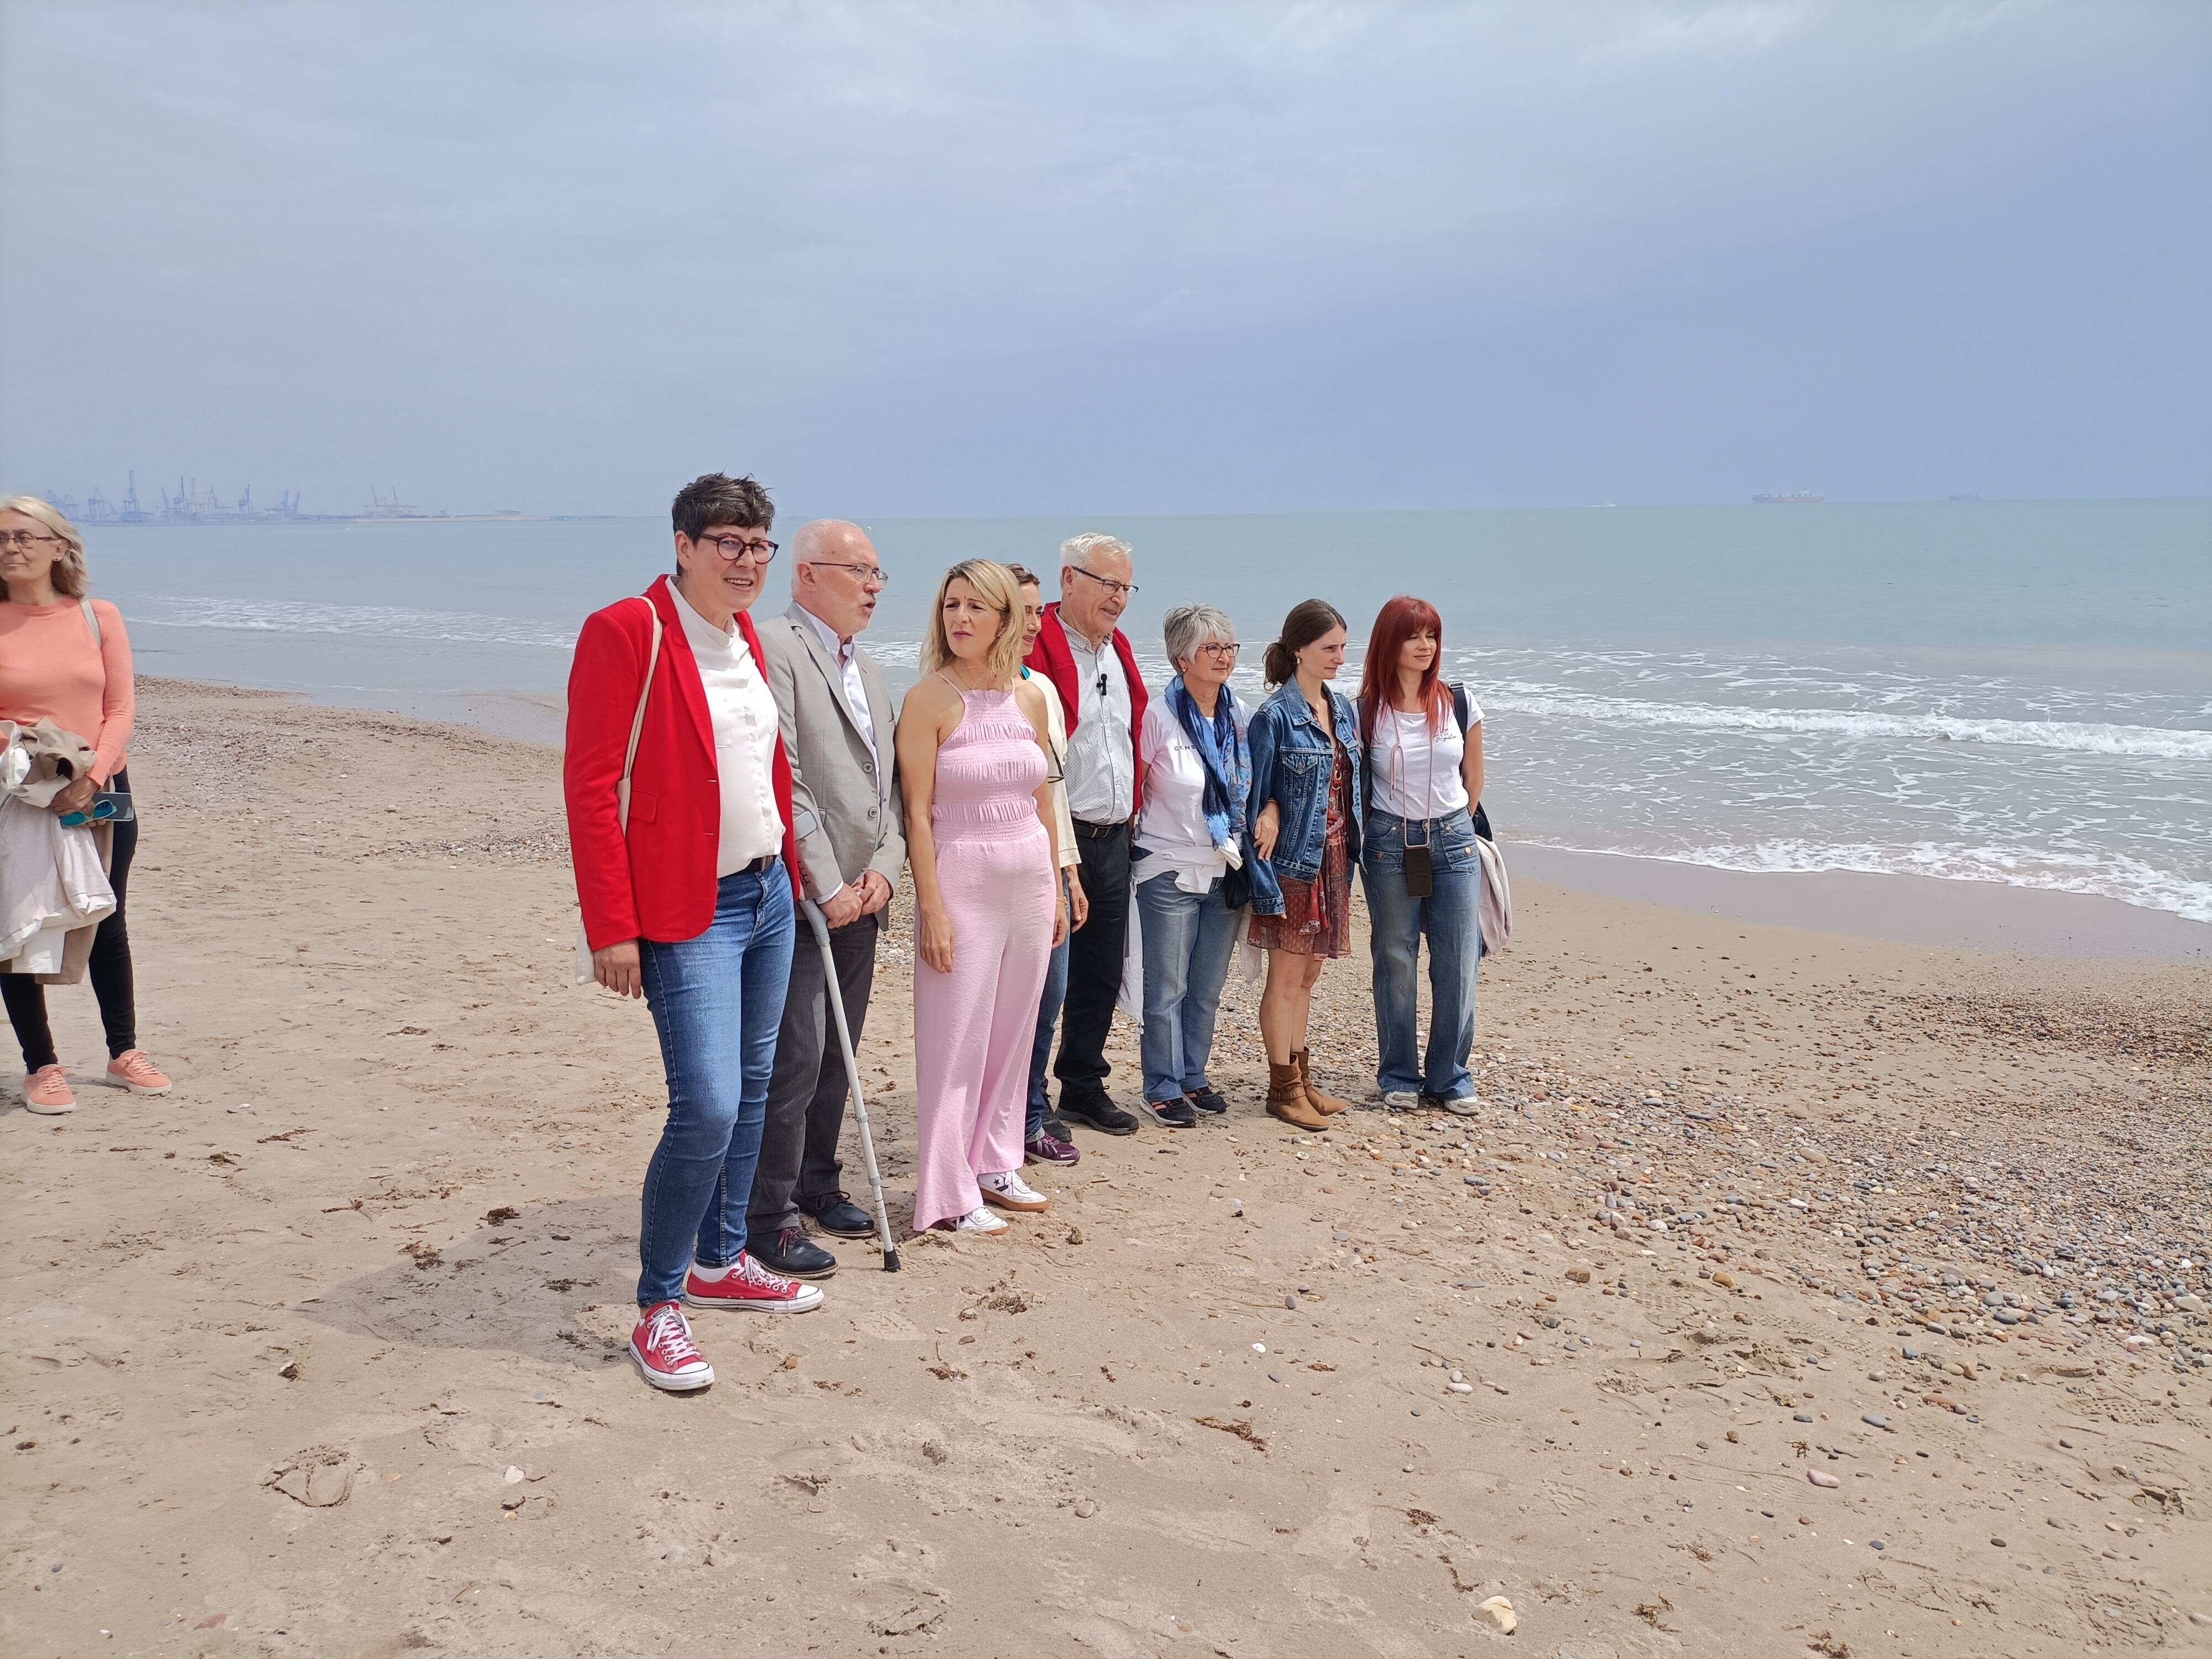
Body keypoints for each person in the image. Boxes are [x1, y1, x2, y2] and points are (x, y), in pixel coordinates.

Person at [566, 473, 817, 1396]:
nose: (748, 560)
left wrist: (789, 871)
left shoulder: (743, 635)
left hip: (765, 900)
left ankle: (721, 1258)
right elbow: (591, 787)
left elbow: (760, 767)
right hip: (688, 912)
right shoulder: (627, 631)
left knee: (753, 1087)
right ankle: (659, 1305)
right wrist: (613, 927)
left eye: (760, 545)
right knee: (705, 1104)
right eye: (729, 542)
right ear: (683, 545)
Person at [744, 521, 906, 1278]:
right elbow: (790, 776)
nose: (875, 586)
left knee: (839, 1054)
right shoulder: (773, 646)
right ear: (807, 574)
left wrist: (884, 871)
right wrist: (828, 883)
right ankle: (765, 1214)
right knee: (795, 1057)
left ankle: (818, 1183)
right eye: (860, 571)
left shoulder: (870, 669)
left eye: (879, 574)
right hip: (806, 895)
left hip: (863, 895)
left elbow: (890, 790)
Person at [898, 560, 1067, 1233]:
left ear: (1004, 619)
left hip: (1027, 871)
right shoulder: (927, 700)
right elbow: (916, 815)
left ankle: (995, 1161)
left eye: (975, 607)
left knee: (1014, 1028)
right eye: (950, 606)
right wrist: (931, 908)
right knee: (955, 1038)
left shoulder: (1029, 699)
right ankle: (945, 1189)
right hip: (961, 873)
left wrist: (1054, 888)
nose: (960, 619)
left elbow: (1041, 798)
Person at [0, 496, 170, 1114]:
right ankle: (42, 1066)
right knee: (19, 927)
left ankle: (123, 1051)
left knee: (108, 916)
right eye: (1, 539)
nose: (10, 547)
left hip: (103, 793)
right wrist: (36, 766)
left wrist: (93, 775)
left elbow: (120, 709)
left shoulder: (98, 617)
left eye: (24, 536)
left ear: (58, 547)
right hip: (17, 795)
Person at [1023, 533, 1145, 1136]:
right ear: (1069, 580)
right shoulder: (1035, 644)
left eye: (1126, 587)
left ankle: (1081, 1084)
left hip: (1114, 834)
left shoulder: (1117, 650)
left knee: (1100, 971)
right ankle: (1027, 1099)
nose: (1119, 598)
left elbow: (1127, 739)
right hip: (1056, 833)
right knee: (1049, 977)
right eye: (1107, 584)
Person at [1358, 597, 1488, 1114]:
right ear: (1390, 642)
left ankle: (1450, 1076)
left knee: (1458, 960)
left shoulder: (1458, 700)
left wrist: (1451, 825)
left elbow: (1473, 778)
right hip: (1391, 844)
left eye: (1432, 636)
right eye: (1413, 636)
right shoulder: (1365, 709)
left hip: (1455, 839)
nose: (1425, 646)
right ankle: (1398, 1075)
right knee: (1396, 959)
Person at [1245, 598, 1363, 1133]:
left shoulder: (1339, 709)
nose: (1340, 657)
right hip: (1296, 862)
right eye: (1330, 648)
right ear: (1300, 650)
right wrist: (1269, 808)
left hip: (1337, 857)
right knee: (1287, 976)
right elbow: (1257, 794)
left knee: (1311, 974)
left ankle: (1302, 1076)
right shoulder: (1274, 716)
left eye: (1342, 647)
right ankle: (1281, 1089)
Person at [1130, 604, 1250, 1129]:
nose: (1224, 657)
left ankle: (1193, 1075)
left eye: (1229, 647)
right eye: (1212, 648)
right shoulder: (1157, 716)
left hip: (1224, 866)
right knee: (1167, 988)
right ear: (1183, 659)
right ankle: (1160, 1085)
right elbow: (1135, 791)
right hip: (1168, 868)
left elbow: (1252, 785)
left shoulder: (1239, 714)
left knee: (1206, 987)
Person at [1009, 564, 1086, 1167]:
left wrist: (1070, 872)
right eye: (1023, 609)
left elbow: (1052, 792)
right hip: (992, 870)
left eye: (1039, 611)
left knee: (1048, 996)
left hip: (1049, 868)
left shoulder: (1043, 691)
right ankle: (1002, 1123)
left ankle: (1030, 1115)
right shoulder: (951, 691)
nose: (1035, 622)